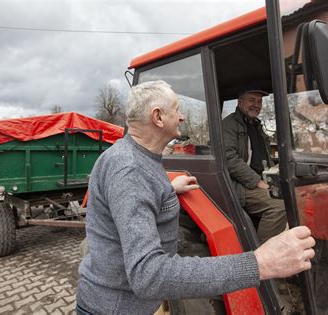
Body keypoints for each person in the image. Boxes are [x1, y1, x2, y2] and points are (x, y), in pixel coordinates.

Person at [76, 80, 315, 315]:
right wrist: (259, 264)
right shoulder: (129, 170)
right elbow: (148, 275)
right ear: (158, 117)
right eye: (176, 110)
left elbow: (138, 195)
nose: (181, 117)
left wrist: (168, 189)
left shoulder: (138, 159)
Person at [222, 87, 287, 244]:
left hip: (261, 179)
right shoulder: (229, 125)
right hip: (240, 184)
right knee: (279, 206)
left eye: (259, 101)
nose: (256, 105)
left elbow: (263, 157)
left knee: (295, 196)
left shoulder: (257, 126)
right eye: (252, 100)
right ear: (240, 102)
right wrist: (258, 182)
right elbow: (229, 158)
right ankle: (264, 256)